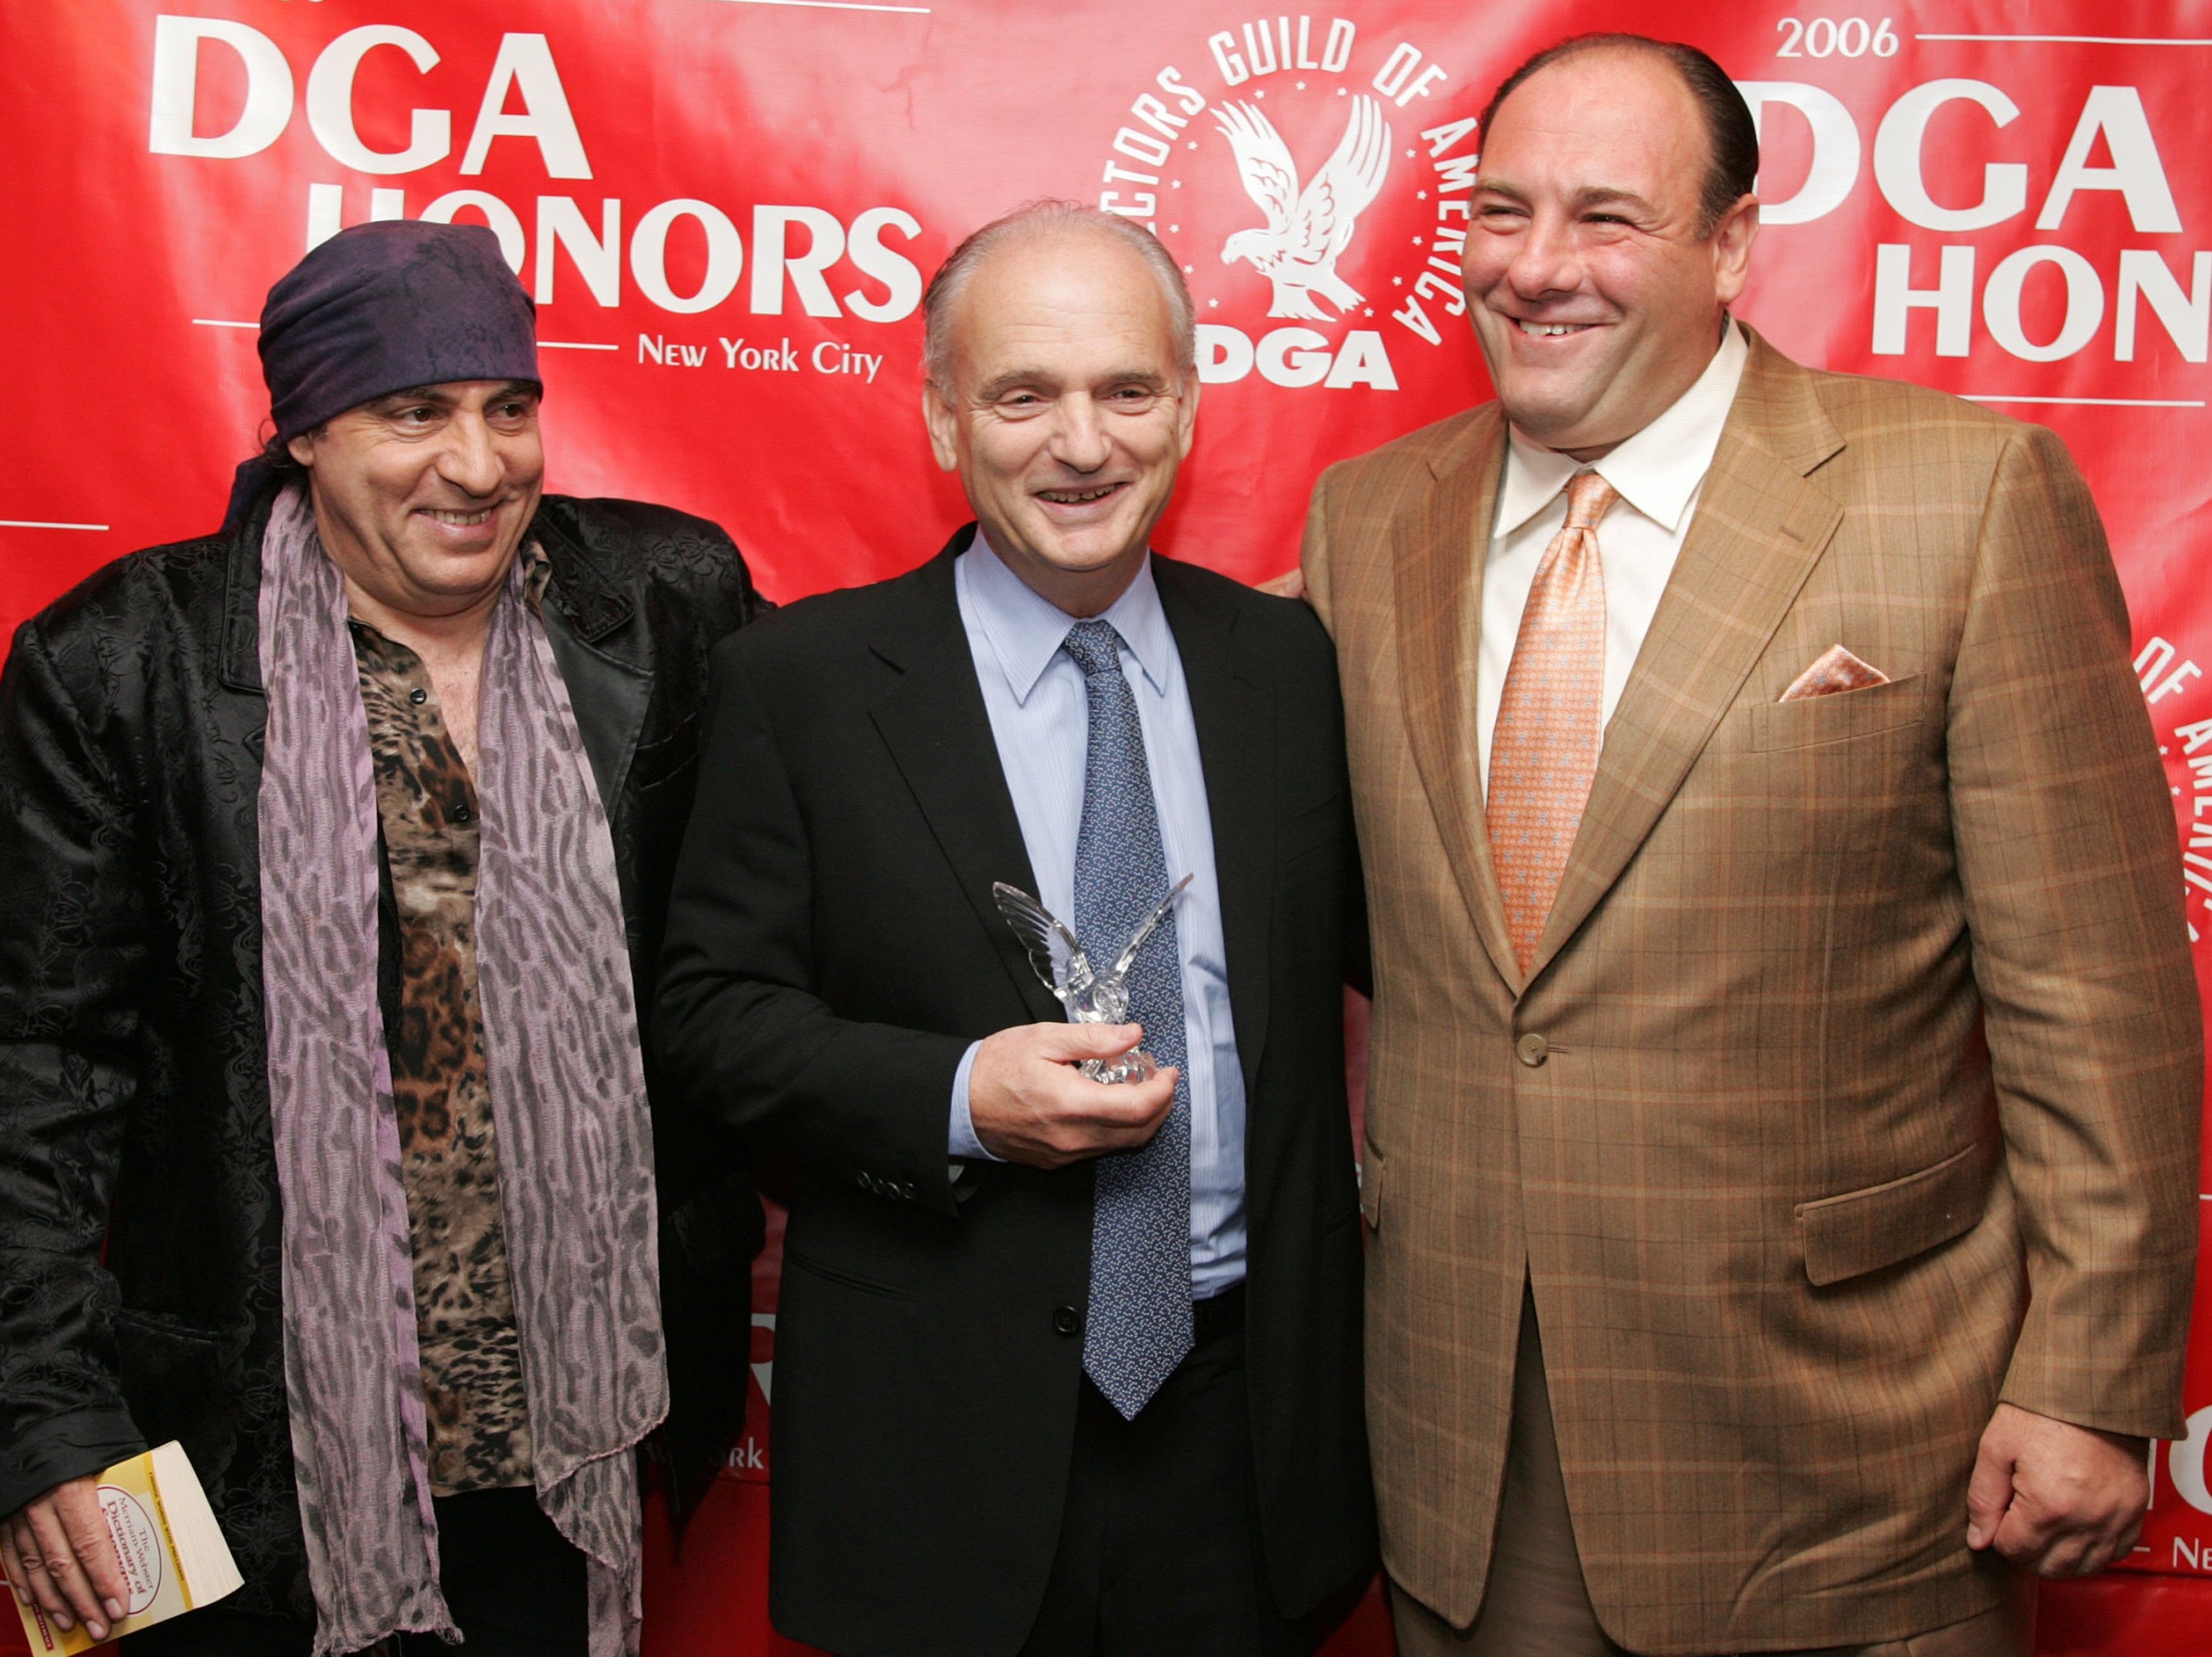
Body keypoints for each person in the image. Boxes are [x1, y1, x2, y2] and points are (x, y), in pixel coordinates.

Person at [1296, 33, 2201, 1657]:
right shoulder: (1366, 523)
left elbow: (2097, 998)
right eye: (1501, 212)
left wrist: (2086, 1383)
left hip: (1857, 1469)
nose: (1536, 267)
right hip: (1466, 1465)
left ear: (1727, 244)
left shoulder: (1960, 497)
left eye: (1606, 218)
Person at [0, 219, 766, 1656]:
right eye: (414, 412)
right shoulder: (127, 663)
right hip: (249, 1452)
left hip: (571, 1445)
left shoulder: (664, 607)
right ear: (302, 428)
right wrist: (44, 1414)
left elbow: (830, 848)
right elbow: (37, 1069)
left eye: (508, 407)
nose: (477, 466)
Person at [656, 201, 1374, 1656]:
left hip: (1246, 1435)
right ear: (941, 419)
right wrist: (957, 1098)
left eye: (1125, 389)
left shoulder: (1291, 669)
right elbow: (706, 1019)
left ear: (1185, 404)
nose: (1083, 443)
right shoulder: (797, 684)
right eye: (1022, 394)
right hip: (935, 1438)